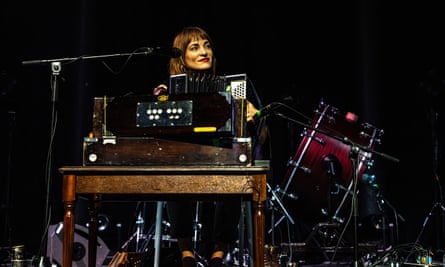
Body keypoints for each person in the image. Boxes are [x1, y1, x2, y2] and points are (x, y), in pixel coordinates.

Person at [153, 26, 266, 267]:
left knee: (236, 169)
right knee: (175, 169)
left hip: (223, 158)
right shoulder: (167, 89)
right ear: (181, 58)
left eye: (207, 46)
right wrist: (161, 105)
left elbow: (262, 137)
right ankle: (186, 252)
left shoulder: (234, 87)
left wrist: (255, 117)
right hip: (185, 160)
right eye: (195, 47)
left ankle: (220, 250)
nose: (205, 52)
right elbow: (156, 134)